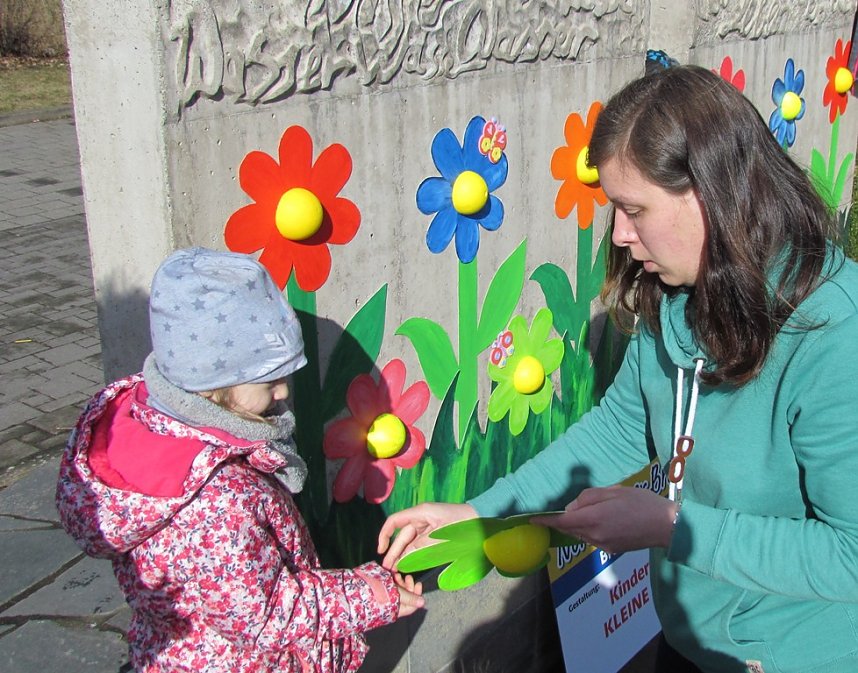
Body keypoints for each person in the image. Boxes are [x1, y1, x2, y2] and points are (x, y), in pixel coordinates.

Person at [379, 65, 858, 673]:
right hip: (688, 634)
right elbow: (619, 429)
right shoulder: (682, 294)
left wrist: (672, 526)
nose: (622, 235)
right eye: (615, 209)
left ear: (715, 192)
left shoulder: (834, 334)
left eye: (635, 208)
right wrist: (483, 510)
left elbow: (851, 555)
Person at [56, 247, 424, 673]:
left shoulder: (145, 423)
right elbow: (264, 614)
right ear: (214, 384)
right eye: (270, 380)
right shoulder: (216, 500)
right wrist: (369, 594)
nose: (284, 392)